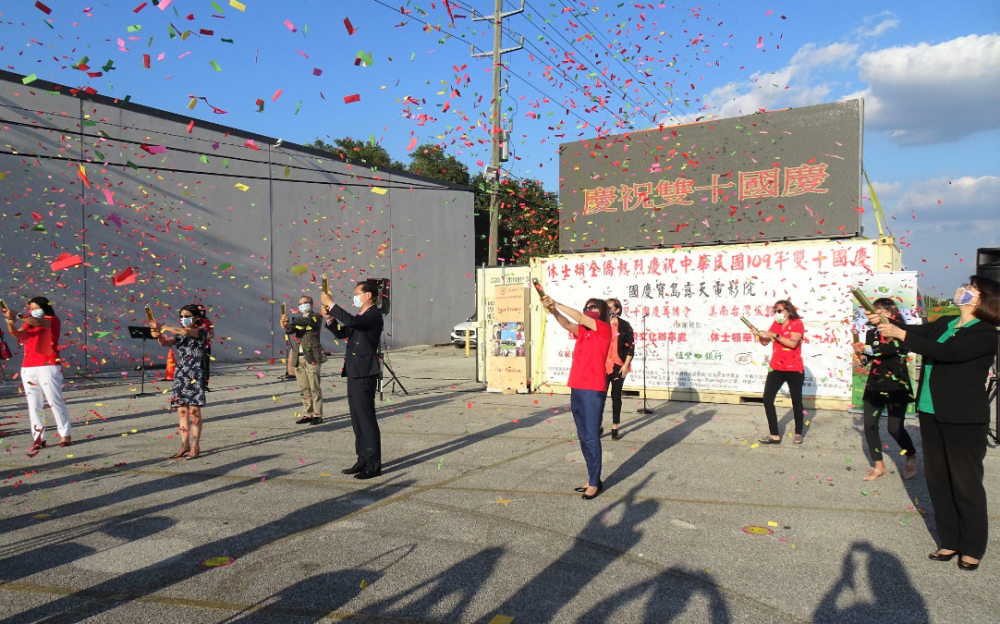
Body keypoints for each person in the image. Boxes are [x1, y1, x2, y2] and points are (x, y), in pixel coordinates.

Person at [873, 275, 1000, 571]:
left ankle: (972, 546)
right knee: (938, 480)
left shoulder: (985, 333)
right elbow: (913, 331)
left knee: (965, 482)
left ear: (984, 299)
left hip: (964, 417)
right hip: (931, 412)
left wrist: (900, 334)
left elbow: (948, 353)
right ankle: (949, 540)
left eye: (972, 288)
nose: (964, 289)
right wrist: (887, 320)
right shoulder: (945, 324)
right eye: (966, 285)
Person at [541, 295, 612, 500]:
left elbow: (579, 317)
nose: (588, 309)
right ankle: (593, 478)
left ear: (601, 312)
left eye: (593, 307)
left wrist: (558, 303)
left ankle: (595, 482)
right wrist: (552, 310)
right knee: (582, 436)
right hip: (577, 386)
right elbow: (566, 322)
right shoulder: (583, 333)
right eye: (587, 306)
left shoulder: (603, 330)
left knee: (591, 434)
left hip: (593, 388)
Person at [321, 281, 384, 479]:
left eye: (357, 293)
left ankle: (373, 465)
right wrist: (331, 319)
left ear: (368, 295)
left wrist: (332, 303)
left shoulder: (374, 314)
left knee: (366, 418)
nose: (354, 297)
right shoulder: (361, 316)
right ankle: (362, 459)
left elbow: (354, 323)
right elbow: (344, 332)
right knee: (357, 419)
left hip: (365, 372)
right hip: (354, 371)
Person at [852, 298, 918, 481]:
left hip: (897, 385)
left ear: (892, 313)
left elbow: (896, 351)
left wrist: (876, 347)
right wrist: (862, 358)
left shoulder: (902, 332)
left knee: (894, 429)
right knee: (869, 424)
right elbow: (871, 356)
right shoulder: (871, 333)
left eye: (884, 311)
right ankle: (878, 465)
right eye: (876, 311)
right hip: (875, 384)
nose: (879, 315)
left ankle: (911, 455)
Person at [3, 296, 71, 451]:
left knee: (54, 401)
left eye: (35, 308)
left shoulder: (52, 320)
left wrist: (18, 315)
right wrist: (10, 323)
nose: (32, 311)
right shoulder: (28, 323)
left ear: (43, 307)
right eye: (31, 309)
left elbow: (40, 323)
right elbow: (18, 335)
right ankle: (39, 438)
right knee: (33, 404)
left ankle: (65, 434)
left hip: (48, 365)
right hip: (28, 367)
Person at [150, 304, 208, 460]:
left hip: (195, 373)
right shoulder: (179, 335)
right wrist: (158, 335)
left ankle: (195, 445)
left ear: (196, 318)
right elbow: (165, 342)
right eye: (181, 316)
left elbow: (187, 332)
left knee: (194, 411)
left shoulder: (201, 331)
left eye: (187, 316)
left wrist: (164, 326)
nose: (183, 319)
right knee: (182, 411)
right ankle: (185, 444)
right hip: (181, 373)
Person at [755, 299, 805, 445]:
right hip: (776, 367)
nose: (777, 314)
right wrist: (759, 335)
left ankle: (798, 432)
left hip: (794, 367)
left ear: (789, 311)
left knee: (796, 400)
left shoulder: (797, 323)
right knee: (767, 399)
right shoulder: (775, 324)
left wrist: (774, 335)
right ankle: (774, 434)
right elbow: (765, 342)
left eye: (779, 311)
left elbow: (792, 343)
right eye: (775, 311)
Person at [281, 295, 326, 425]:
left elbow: (307, 323)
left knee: (314, 387)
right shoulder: (299, 321)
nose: (302, 305)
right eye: (300, 303)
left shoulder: (316, 316)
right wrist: (287, 326)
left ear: (311, 304)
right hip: (299, 357)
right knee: (303, 388)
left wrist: (291, 321)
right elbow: (292, 330)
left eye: (305, 303)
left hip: (312, 356)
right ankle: (308, 413)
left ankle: (318, 414)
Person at [605, 298, 634, 441]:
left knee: (616, 396)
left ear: (617, 309)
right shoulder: (601, 324)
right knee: (599, 397)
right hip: (603, 365)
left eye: (610, 307)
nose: (608, 310)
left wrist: (626, 365)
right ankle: (597, 426)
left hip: (619, 365)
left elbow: (631, 347)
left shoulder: (624, 325)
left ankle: (615, 426)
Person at [196, 304, 215, 392]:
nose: (201, 312)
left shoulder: (207, 322)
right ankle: (196, 384)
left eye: (202, 310)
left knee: (205, 365)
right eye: (199, 310)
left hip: (205, 346)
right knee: (196, 365)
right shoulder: (192, 322)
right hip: (195, 346)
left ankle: (205, 385)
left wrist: (204, 337)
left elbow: (212, 334)